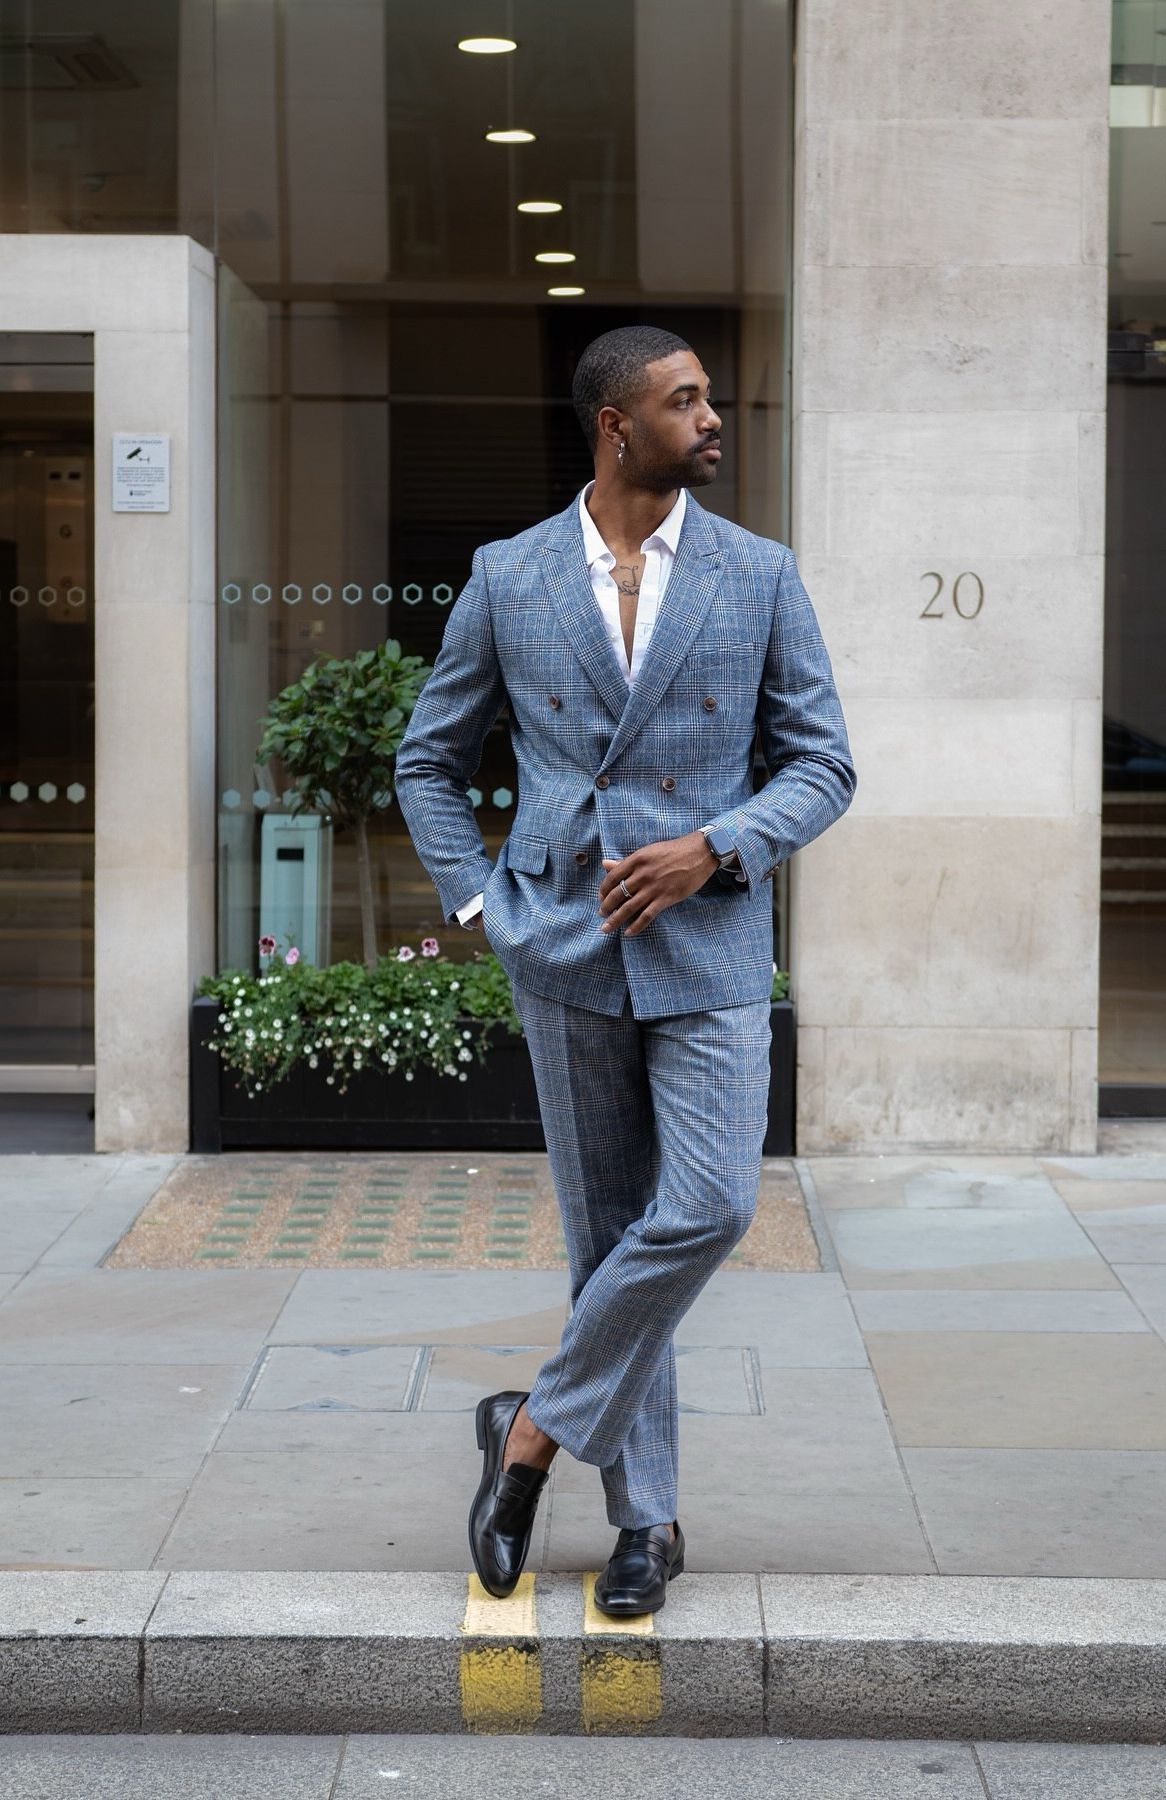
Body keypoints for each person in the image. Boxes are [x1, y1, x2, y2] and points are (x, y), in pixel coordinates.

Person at [395, 325, 854, 1615]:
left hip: (707, 949)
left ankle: (529, 1431)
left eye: (709, 396)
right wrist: (481, 900)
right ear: (615, 425)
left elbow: (825, 764)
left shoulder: (760, 577)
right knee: (605, 1237)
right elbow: (429, 759)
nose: (714, 417)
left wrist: (717, 847)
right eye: (685, 400)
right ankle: (646, 1521)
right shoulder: (510, 573)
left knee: (707, 1206)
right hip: (563, 946)